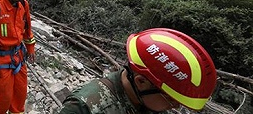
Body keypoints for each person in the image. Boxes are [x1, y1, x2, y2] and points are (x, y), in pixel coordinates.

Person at [60, 28, 217, 114]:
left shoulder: (149, 102)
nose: (175, 107)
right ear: (141, 82)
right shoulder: (84, 108)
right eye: (171, 100)